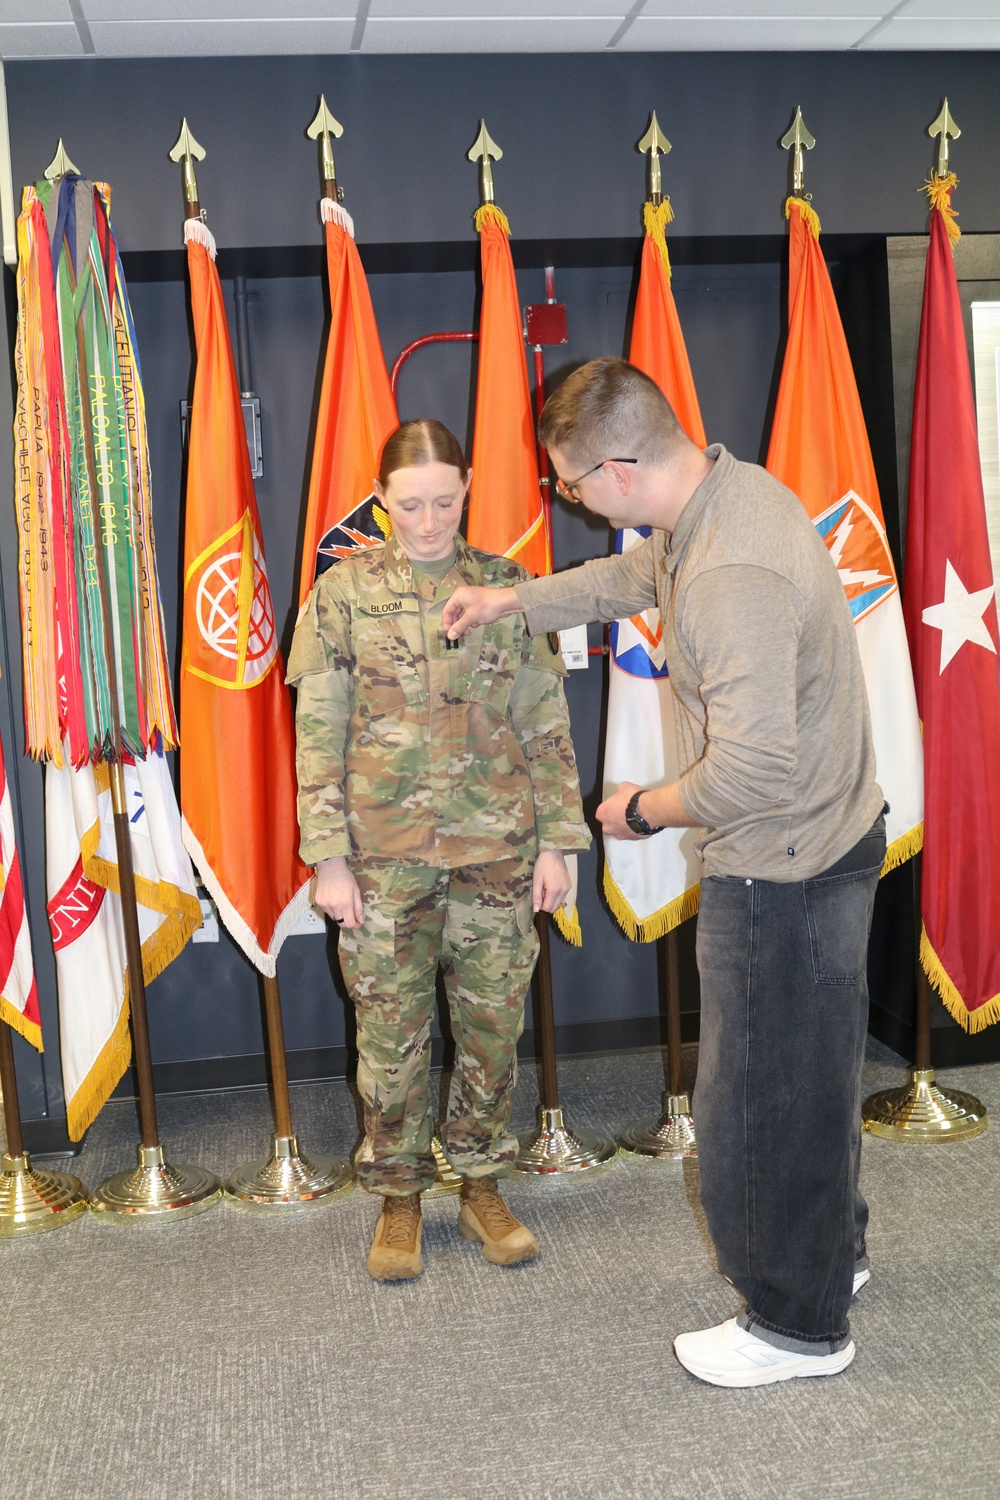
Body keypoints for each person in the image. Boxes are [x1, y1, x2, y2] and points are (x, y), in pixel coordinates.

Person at [443, 358, 885, 1386]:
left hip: (781, 874)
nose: (571, 502)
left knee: (751, 1106)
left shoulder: (732, 570)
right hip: (824, 846)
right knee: (811, 1083)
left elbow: (754, 769)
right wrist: (513, 604)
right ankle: (831, 1260)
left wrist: (640, 809)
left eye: (571, 486)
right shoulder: (722, 498)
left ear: (621, 467)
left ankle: (795, 1328)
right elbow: (627, 577)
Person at [287, 419, 591, 1282]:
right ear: (383, 500)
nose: (428, 521)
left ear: (467, 490)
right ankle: (398, 1194)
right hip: (382, 859)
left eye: (445, 502)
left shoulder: (505, 588)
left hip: (497, 849)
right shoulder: (342, 593)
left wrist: (559, 844)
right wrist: (328, 858)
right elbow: (319, 732)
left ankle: (483, 1183)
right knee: (391, 1035)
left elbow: (543, 721)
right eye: (410, 504)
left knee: (493, 1026)